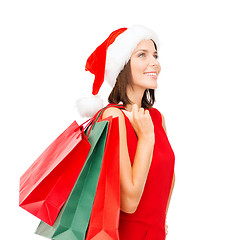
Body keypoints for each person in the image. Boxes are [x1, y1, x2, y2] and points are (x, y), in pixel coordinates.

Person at [76, 24, 175, 240]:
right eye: (142, 55)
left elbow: (167, 177)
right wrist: (146, 138)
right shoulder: (112, 117)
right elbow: (129, 203)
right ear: (122, 66)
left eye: (155, 55)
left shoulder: (156, 118)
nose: (154, 63)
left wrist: (159, 220)